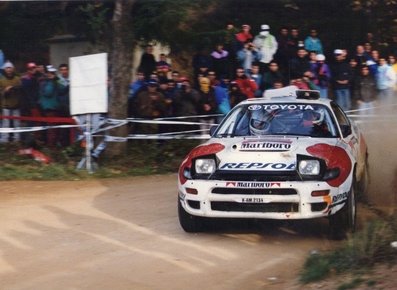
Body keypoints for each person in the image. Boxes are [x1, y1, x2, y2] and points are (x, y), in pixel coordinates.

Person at [38, 65, 61, 148]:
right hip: (49, 107)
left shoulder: (54, 82)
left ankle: (52, 145)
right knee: (51, 128)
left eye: (53, 73)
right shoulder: (45, 82)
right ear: (47, 73)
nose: (52, 74)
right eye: (50, 73)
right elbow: (48, 92)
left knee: (54, 128)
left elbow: (62, 90)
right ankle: (51, 146)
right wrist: (52, 81)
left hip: (54, 107)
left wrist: (57, 81)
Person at [0, 61, 22, 143]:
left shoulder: (17, 79)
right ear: (4, 69)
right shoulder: (1, 80)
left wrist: (13, 88)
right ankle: (5, 139)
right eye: (7, 68)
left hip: (16, 104)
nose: (9, 70)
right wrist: (5, 91)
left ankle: (17, 139)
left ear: (13, 69)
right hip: (6, 105)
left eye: (10, 68)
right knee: (6, 123)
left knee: (17, 123)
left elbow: (21, 88)